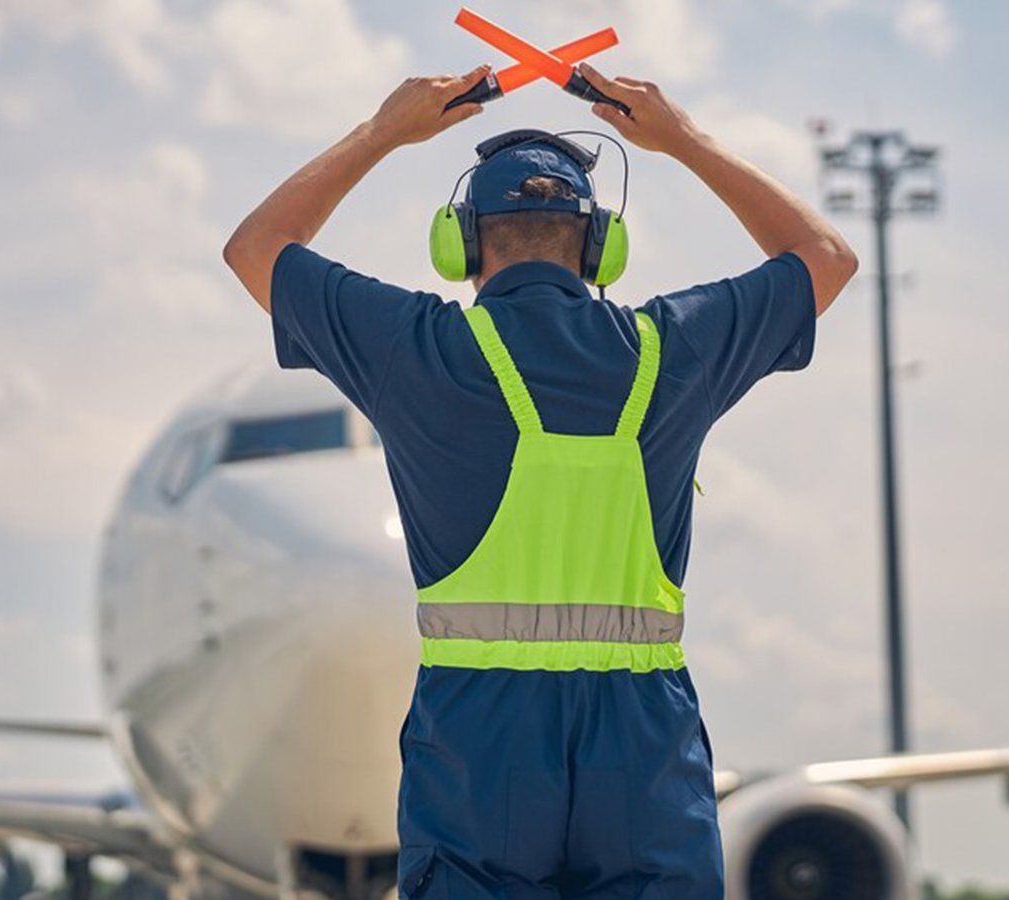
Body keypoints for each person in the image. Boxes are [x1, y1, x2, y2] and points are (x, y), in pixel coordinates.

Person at [223, 61, 857, 900]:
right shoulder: (671, 352)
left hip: (479, 741)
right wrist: (683, 141)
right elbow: (825, 256)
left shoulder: (417, 352)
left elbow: (256, 249)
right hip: (641, 738)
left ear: (460, 243)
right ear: (601, 246)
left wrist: (383, 132)